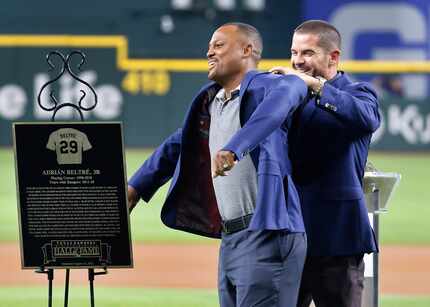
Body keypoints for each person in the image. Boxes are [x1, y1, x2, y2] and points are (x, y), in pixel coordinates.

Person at [128, 22, 308, 307]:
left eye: (219, 45)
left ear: (247, 50)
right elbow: (176, 145)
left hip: (266, 233)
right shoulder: (213, 101)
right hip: (231, 238)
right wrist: (135, 187)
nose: (209, 52)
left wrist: (235, 148)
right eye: (210, 46)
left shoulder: (268, 86)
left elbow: (292, 89)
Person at [270, 20, 380, 307]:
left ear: (333, 57)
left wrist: (316, 86)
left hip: (337, 239)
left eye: (307, 53)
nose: (297, 61)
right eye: (294, 52)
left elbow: (366, 118)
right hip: (289, 235)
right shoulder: (289, 96)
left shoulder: (358, 92)